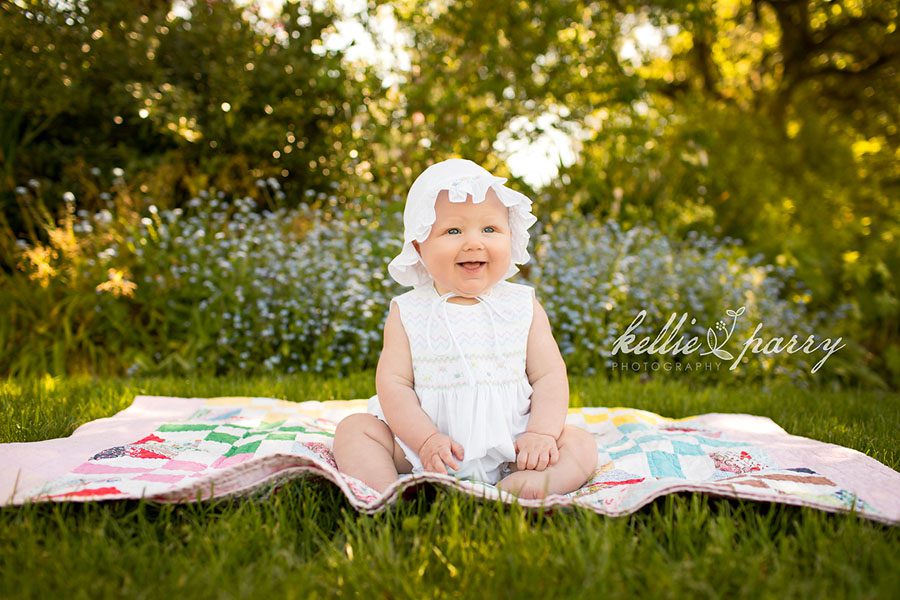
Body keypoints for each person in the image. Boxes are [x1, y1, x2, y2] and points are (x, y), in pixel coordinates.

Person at [333, 158, 598, 499]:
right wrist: (425, 440)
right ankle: (388, 493)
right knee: (355, 430)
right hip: (422, 450)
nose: (474, 243)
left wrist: (542, 434)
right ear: (419, 247)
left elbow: (549, 376)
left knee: (579, 443)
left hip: (515, 447)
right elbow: (394, 384)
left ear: (510, 236)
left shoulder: (521, 305)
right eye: (453, 231)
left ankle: (524, 486)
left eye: (490, 229)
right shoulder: (409, 311)